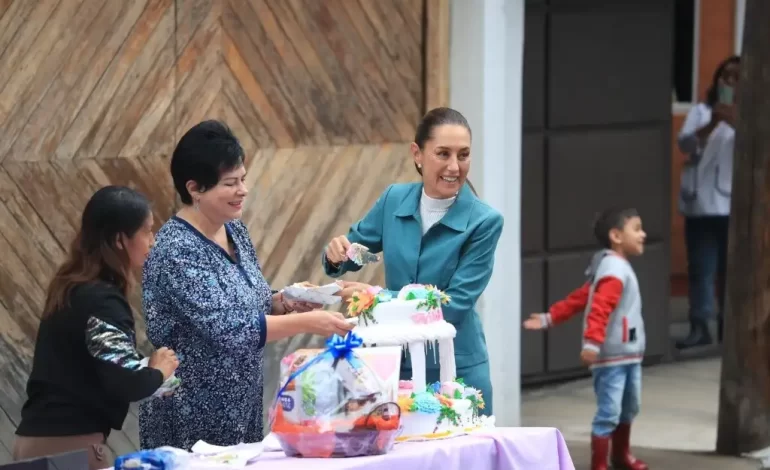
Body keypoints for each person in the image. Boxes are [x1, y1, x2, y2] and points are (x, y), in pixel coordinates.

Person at [139, 120, 354, 451]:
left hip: (243, 407)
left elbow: (252, 302)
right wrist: (311, 323)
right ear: (194, 188)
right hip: (191, 413)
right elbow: (230, 327)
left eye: (243, 179)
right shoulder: (175, 249)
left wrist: (286, 300)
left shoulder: (234, 230)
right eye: (230, 183)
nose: (243, 190)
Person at [321, 107, 503, 415]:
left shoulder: (484, 222)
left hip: (456, 372)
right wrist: (336, 253)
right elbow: (355, 251)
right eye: (443, 154)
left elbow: (454, 305)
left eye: (463, 155)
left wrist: (375, 298)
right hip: (393, 368)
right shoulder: (394, 199)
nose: (454, 166)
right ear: (417, 154)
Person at [13, 186, 179, 470]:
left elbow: (97, 368)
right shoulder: (101, 300)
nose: (152, 241)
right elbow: (125, 381)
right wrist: (159, 369)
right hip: (68, 446)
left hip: (38, 440)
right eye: (147, 231)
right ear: (119, 240)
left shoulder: (70, 286)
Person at [523, 208, 648, 470]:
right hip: (612, 357)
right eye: (636, 229)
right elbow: (599, 305)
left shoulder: (613, 267)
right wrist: (592, 342)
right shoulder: (613, 269)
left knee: (628, 407)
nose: (643, 234)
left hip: (628, 354)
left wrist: (550, 317)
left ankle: (620, 455)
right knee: (609, 412)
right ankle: (600, 463)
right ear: (616, 235)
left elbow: (583, 297)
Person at [676, 55, 741, 349]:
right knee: (701, 269)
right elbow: (685, 144)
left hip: (732, 206)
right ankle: (700, 326)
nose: (728, 82)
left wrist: (735, 120)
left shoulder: (753, 115)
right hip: (700, 204)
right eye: (724, 76)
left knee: (731, 271)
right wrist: (713, 122)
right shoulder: (701, 112)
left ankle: (730, 328)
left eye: (736, 77)